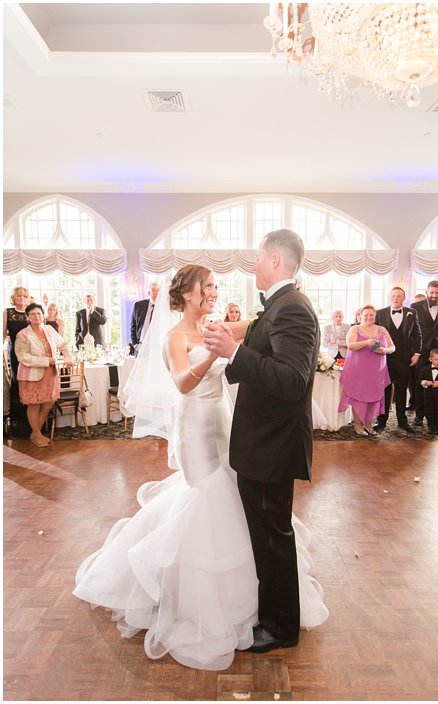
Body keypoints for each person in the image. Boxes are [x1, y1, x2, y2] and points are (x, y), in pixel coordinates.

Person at [80, 262, 327, 669]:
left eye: (215, 286)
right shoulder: (176, 337)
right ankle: (201, 594)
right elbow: (182, 383)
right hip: (194, 426)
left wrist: (287, 295)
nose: (214, 292)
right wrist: (212, 355)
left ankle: (253, 597)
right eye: (207, 287)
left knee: (233, 494)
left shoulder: (218, 327)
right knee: (205, 495)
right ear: (188, 294)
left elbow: (263, 322)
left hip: (226, 422)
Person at [202, 230, 328, 654]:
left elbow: (292, 381)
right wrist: (232, 352)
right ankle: (272, 616)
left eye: (257, 257)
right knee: (266, 537)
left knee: (274, 538)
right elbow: (264, 355)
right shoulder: (278, 306)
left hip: (272, 445)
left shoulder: (292, 309)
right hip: (262, 442)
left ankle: (280, 628)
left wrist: (234, 354)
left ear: (275, 260)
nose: (252, 264)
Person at [15, 302, 71, 447]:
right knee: (34, 404)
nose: (36, 316)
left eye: (39, 313)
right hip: (31, 374)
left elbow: (63, 344)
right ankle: (38, 435)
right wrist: (47, 361)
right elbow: (23, 357)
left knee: (48, 403)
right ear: (28, 316)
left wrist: (67, 356)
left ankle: (35, 434)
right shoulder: (23, 335)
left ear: (43, 315)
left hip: (50, 374)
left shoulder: (49, 330)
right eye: (32, 314)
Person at [338, 305, 393, 437]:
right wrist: (366, 342)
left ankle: (368, 424)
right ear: (360, 316)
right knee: (359, 396)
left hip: (377, 370)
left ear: (375, 316)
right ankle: (358, 424)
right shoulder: (355, 329)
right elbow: (350, 345)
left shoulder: (382, 329)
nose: (369, 317)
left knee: (373, 397)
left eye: (371, 315)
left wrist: (385, 350)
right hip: (358, 369)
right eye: (366, 315)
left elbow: (392, 346)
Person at [374, 287, 421, 433]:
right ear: (390, 297)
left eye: (399, 296)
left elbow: (417, 334)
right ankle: (381, 421)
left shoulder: (411, 313)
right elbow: (374, 334)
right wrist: (376, 351)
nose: (396, 298)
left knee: (401, 390)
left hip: (404, 359)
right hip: (384, 359)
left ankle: (402, 421)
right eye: (393, 295)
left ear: (404, 298)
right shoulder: (380, 313)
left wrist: (417, 354)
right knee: (384, 391)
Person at [411, 279, 438, 424]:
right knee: (420, 383)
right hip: (422, 352)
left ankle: (435, 415)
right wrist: (415, 351)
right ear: (427, 292)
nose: (434, 295)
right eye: (432, 292)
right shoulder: (415, 306)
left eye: (437, 292)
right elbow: (413, 331)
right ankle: (419, 415)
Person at [6, 287, 32, 437]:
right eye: (19, 295)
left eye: (24, 296)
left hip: (32, 353)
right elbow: (3, 335)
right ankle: (20, 425)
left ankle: (33, 423)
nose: (22, 298)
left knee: (32, 383)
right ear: (13, 297)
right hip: (15, 355)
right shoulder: (8, 313)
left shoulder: (31, 312)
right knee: (19, 383)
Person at [130, 282, 161, 355]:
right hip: (141, 345)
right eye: (154, 292)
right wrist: (135, 344)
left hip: (157, 347)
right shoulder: (138, 305)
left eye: (158, 292)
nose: (156, 295)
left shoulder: (163, 308)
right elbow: (133, 326)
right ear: (149, 293)